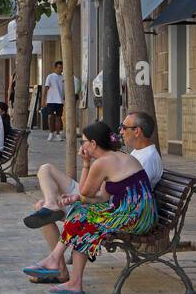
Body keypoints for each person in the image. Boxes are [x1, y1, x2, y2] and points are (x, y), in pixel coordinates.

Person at [24, 111, 162, 280]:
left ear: (93, 143)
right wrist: (80, 197)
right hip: (124, 209)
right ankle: (59, 266)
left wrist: (85, 168)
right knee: (78, 211)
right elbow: (103, 195)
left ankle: (58, 265)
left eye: (84, 141)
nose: (120, 131)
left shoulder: (116, 161)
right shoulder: (124, 156)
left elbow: (88, 193)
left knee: (81, 216)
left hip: (134, 215)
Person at [42, 61, 66, 141]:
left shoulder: (63, 77)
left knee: (59, 118)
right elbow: (46, 88)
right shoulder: (50, 76)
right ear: (55, 68)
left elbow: (64, 89)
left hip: (60, 101)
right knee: (50, 116)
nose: (61, 69)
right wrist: (43, 100)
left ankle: (58, 134)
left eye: (62, 68)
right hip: (51, 100)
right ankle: (51, 133)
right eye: (59, 67)